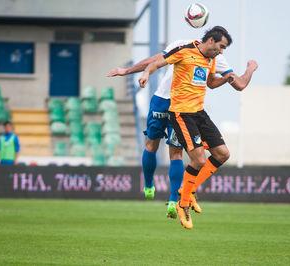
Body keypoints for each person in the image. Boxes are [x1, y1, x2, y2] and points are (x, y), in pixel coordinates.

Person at [108, 34, 258, 220]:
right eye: (221, 46)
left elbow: (234, 83)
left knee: (165, 148)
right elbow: (155, 61)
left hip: (182, 108)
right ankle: (157, 189)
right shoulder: (182, 46)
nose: (222, 50)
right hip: (169, 103)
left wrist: (248, 70)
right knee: (163, 149)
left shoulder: (215, 58)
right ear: (210, 39)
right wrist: (133, 71)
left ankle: (172, 198)